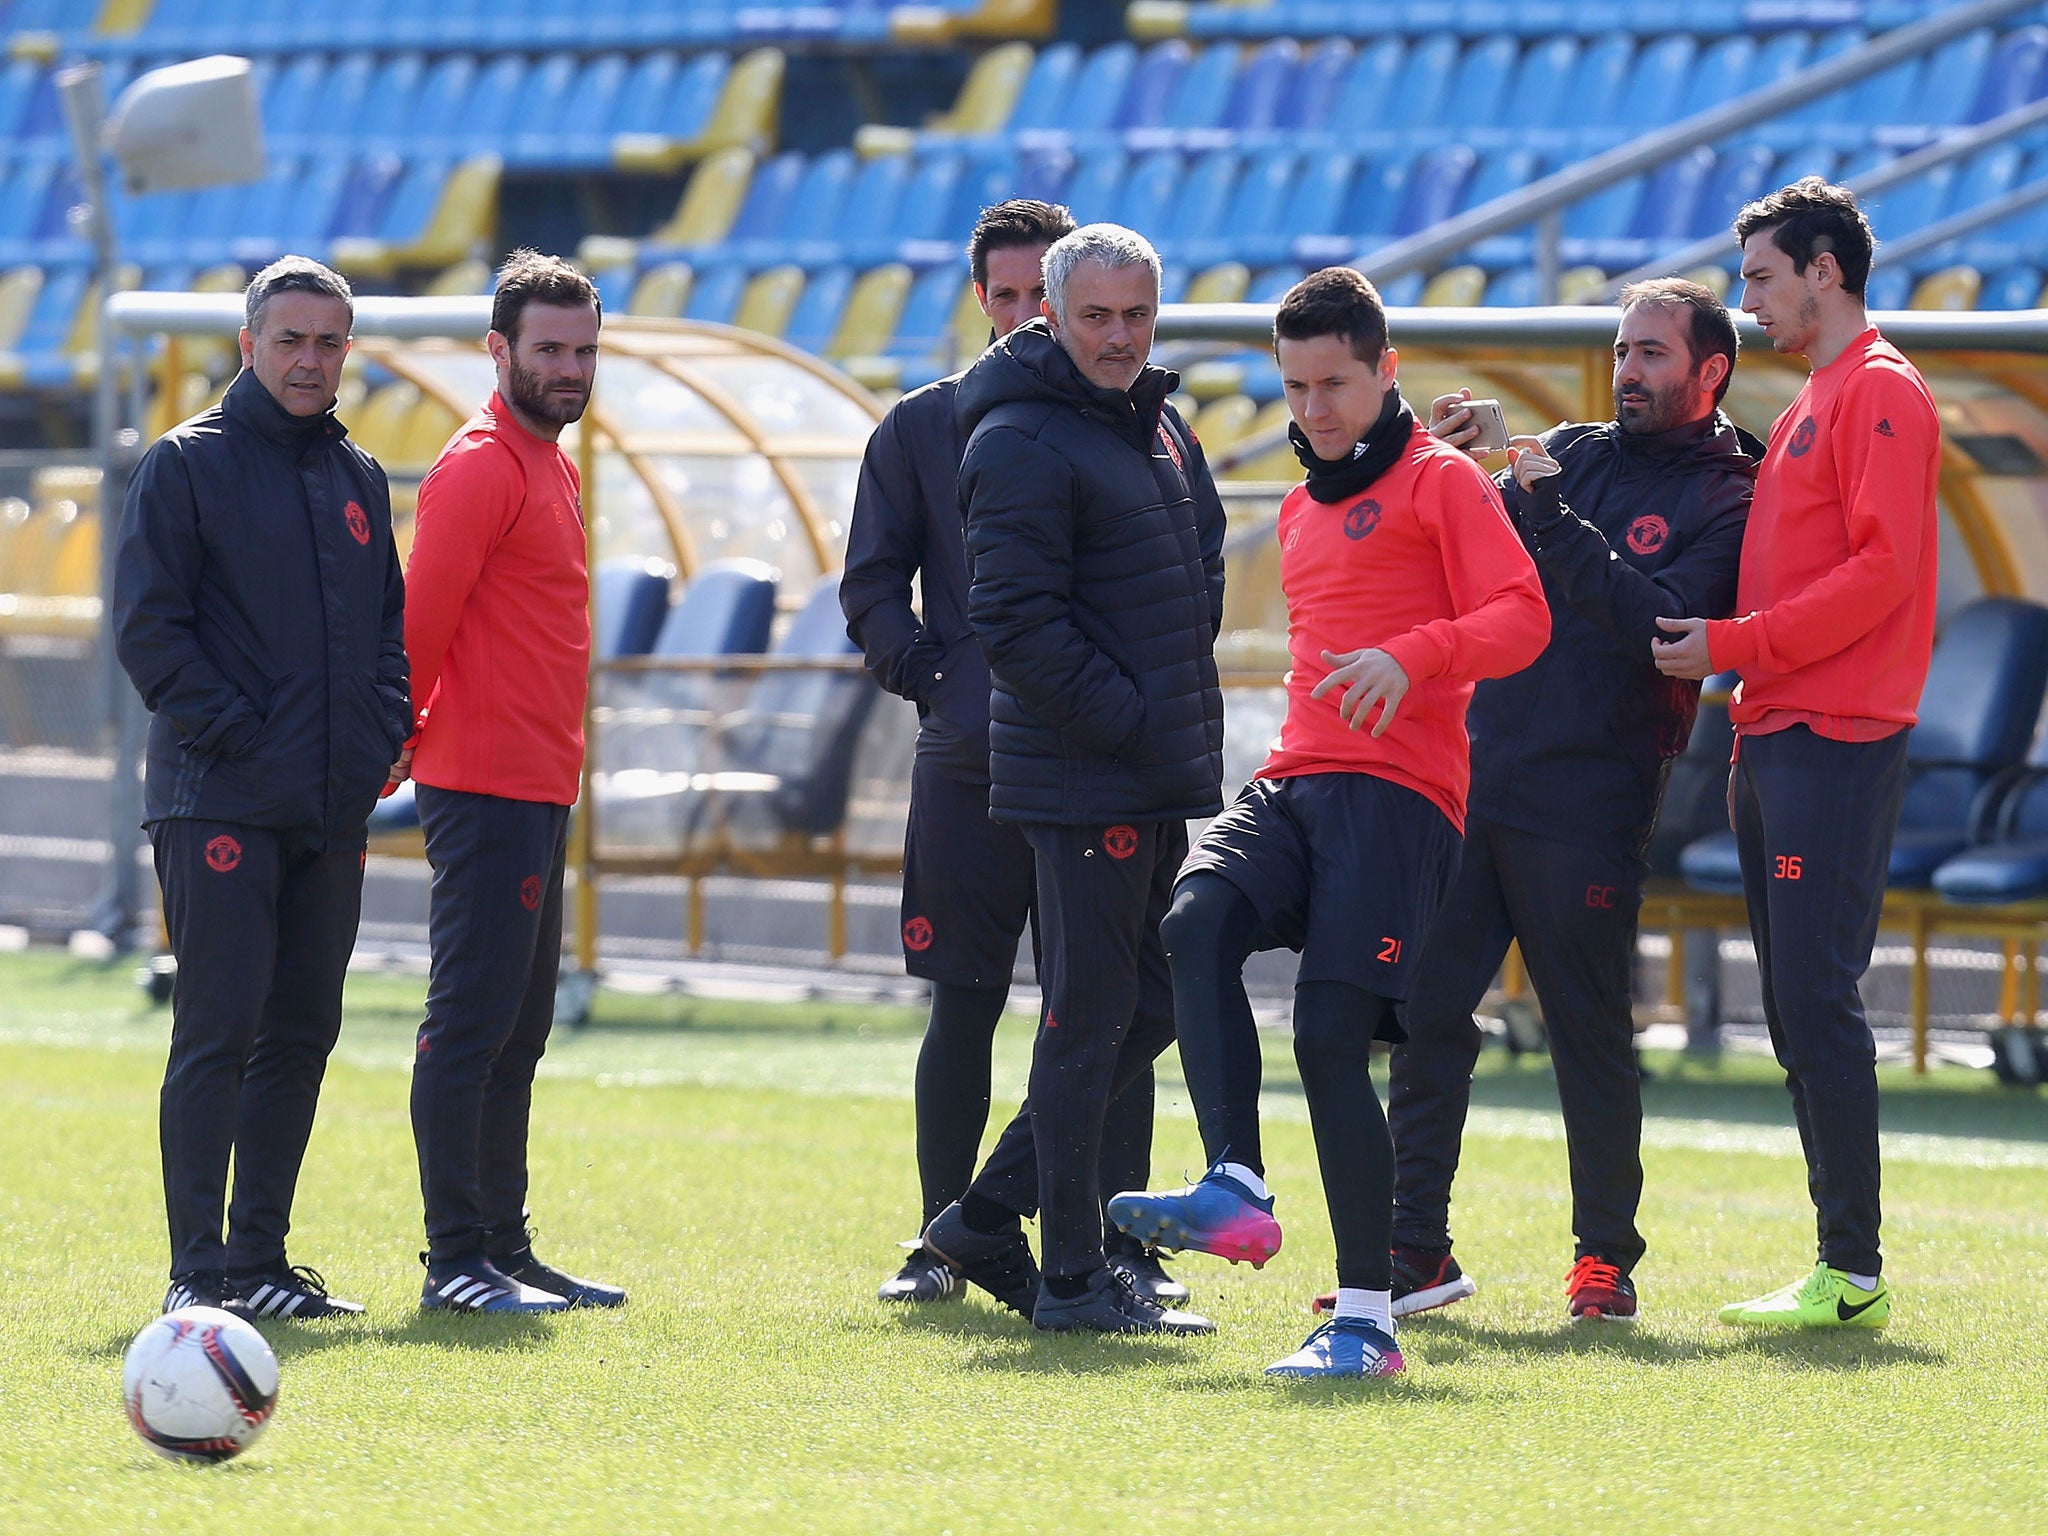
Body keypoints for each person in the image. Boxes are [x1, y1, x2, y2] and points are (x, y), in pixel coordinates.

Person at [1108, 267, 1550, 1376]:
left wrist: (1414, 654)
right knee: (1193, 922)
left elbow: (1521, 620)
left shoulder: (1445, 483)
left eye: (1335, 384)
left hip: (1398, 800)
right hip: (1295, 779)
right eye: (1295, 386)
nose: (1313, 408)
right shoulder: (1302, 506)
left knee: (1325, 1039)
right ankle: (1236, 1187)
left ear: (1385, 371)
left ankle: (1365, 1320)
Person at [1371, 278, 1755, 1328]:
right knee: (1423, 1016)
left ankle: (1601, 1261)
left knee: (1584, 1030)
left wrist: (1535, 489)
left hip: (1591, 794)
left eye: (1651, 356)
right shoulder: (1572, 453)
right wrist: (1441, 462)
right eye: (1623, 351)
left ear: (1707, 371)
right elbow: (1461, 557)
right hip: (1472, 772)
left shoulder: (1729, 492)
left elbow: (1657, 626)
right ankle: (1412, 1248)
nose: (1627, 372)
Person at [841, 202, 1185, 1309]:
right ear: (981, 300)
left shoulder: (1141, 423)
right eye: (1013, 294)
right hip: (970, 763)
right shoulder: (919, 426)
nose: (1033, 314)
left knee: (1116, 1002)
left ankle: (1117, 1245)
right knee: (966, 1000)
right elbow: (869, 587)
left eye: (1052, 294)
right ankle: (940, 1244)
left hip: (1099, 758)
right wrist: (942, 683)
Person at [918, 223, 1225, 1336]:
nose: (1118, 336)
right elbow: (1009, 618)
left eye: (1136, 315)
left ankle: (983, 1219)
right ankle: (1071, 1277)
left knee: (1142, 1003)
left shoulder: (1151, 424)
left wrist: (1159, 720)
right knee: (1089, 1018)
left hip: (1144, 773)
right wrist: (1130, 720)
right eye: (1095, 316)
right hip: (1084, 776)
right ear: (1046, 314)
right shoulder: (1018, 437)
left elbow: (1199, 569)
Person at [1656, 178, 1938, 1331]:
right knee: (1794, 1002)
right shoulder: (1823, 393)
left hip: (1831, 735)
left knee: (1814, 998)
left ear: (1824, 269)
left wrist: (1732, 644)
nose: (1748, 300)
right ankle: (1837, 1264)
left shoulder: (1876, 391)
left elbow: (1879, 574)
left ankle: (1850, 1271)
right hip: (1773, 725)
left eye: (1761, 277)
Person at [114, 256, 410, 1318]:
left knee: (299, 1034)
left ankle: (260, 1264)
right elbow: (150, 633)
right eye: (290, 339)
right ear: (248, 345)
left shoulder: (359, 479)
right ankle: (198, 1272)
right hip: (218, 800)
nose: (310, 359)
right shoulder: (184, 466)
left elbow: (387, 630)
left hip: (329, 809)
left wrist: (380, 728)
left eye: (328, 342)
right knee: (218, 1028)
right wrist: (243, 736)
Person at [399, 250, 623, 1314]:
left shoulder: (551, 458)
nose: (571, 369)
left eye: (584, 350)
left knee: (517, 1029)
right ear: (499, 352)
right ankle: (456, 1262)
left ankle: (502, 1245)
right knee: (469, 1024)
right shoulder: (482, 463)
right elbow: (415, 632)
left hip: (538, 782)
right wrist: (401, 742)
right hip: (484, 786)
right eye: (550, 350)